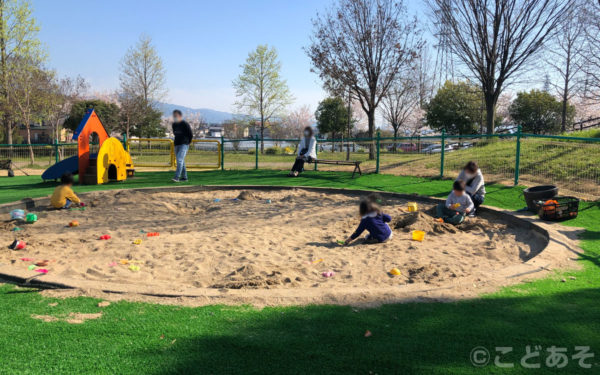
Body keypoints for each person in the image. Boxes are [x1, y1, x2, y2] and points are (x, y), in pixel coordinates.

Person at [172, 110, 193, 182]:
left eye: (176, 116)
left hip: (184, 144)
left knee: (179, 160)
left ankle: (176, 177)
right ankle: (184, 177)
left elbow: (190, 134)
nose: (175, 117)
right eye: (174, 116)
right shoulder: (174, 124)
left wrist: (188, 142)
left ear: (180, 116)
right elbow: (174, 133)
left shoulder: (185, 124)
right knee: (181, 161)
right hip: (176, 144)